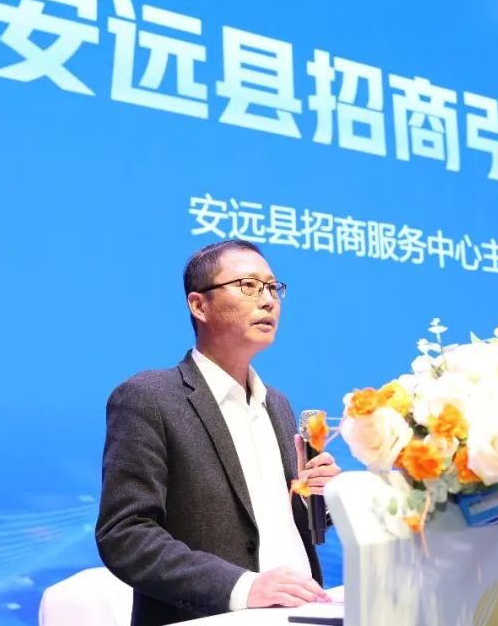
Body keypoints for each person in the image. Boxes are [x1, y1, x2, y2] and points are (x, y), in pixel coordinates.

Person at [96, 239, 341, 626]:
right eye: (249, 286)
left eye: (273, 287)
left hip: (302, 614)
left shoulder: (277, 404)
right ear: (199, 305)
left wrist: (318, 499)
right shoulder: (149, 398)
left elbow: (272, 524)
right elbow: (125, 534)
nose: (268, 300)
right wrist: (243, 587)